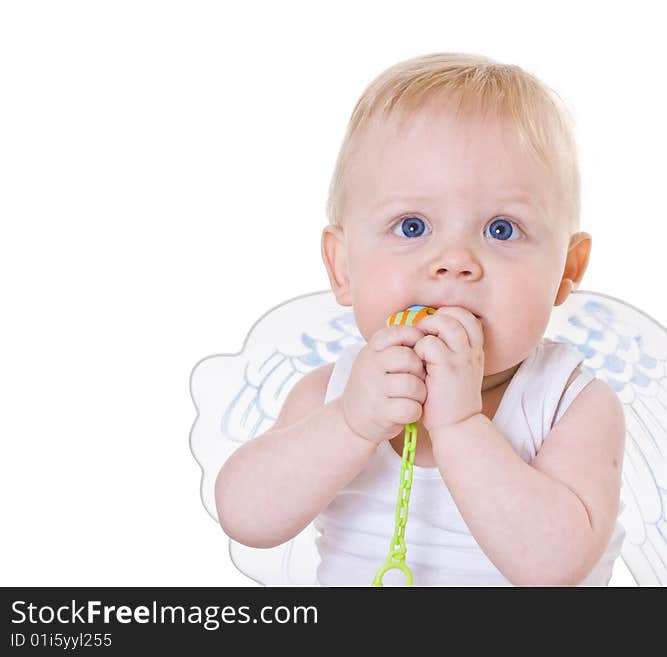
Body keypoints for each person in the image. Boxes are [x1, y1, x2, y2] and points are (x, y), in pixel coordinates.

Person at [214, 52, 627, 586]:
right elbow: (246, 518)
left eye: (501, 229)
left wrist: (459, 426)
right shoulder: (331, 395)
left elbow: (554, 566)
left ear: (566, 271)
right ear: (343, 267)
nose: (454, 260)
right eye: (412, 227)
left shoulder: (572, 405)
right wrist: (349, 422)